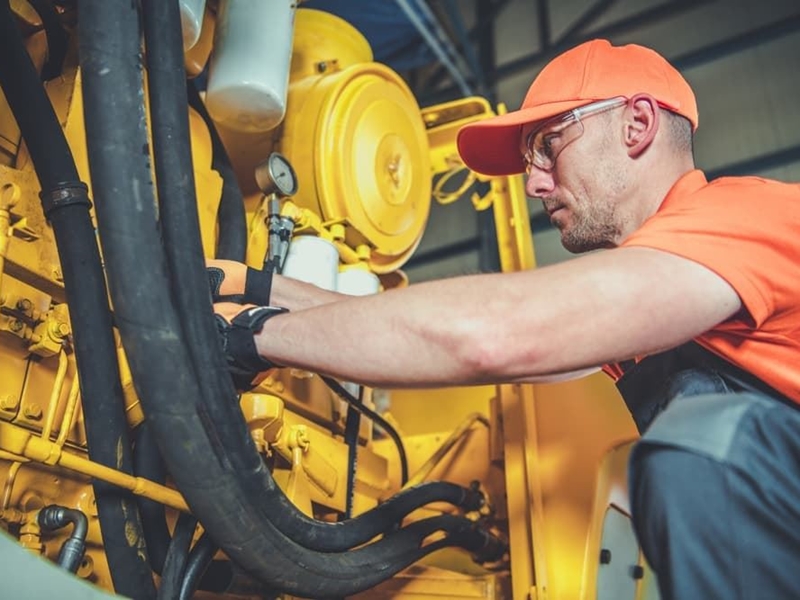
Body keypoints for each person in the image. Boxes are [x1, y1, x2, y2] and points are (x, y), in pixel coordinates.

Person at [210, 39, 800, 599]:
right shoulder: (658, 302)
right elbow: (416, 330)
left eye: (548, 145)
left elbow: (494, 335)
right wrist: (258, 288)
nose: (535, 183)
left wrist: (255, 337)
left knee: (704, 443)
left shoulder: (746, 215)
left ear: (637, 125)